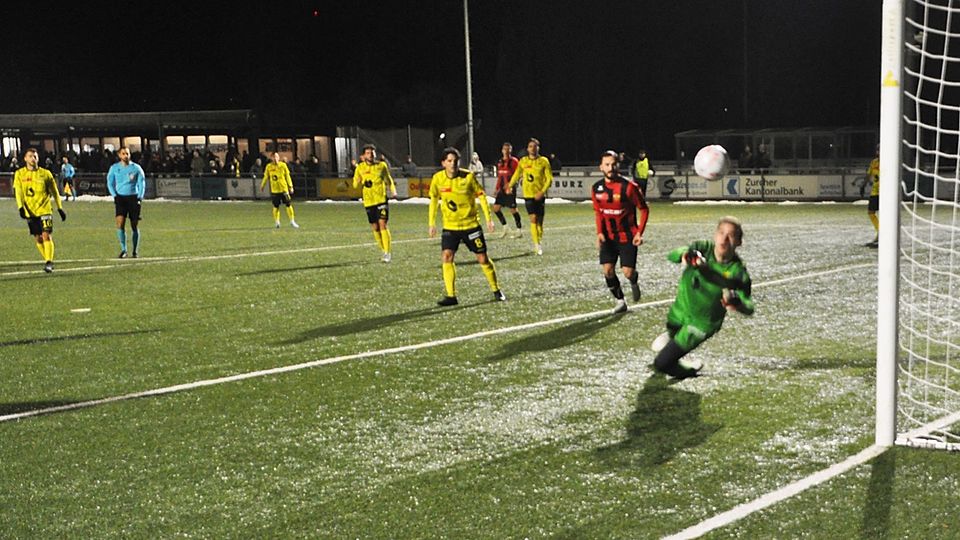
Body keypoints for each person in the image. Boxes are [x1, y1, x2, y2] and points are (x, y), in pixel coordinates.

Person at [651, 216, 754, 379]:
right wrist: (684, 255)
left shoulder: (737, 271)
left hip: (701, 324)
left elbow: (749, 307)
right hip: (679, 312)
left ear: (739, 242)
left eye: (731, 235)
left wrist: (737, 303)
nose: (724, 239)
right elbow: (672, 255)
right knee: (664, 342)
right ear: (715, 235)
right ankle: (675, 346)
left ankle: (688, 371)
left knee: (661, 364)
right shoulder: (702, 248)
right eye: (721, 233)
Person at [429, 147, 505, 306]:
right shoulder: (437, 179)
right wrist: (432, 223)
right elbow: (434, 200)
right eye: (449, 161)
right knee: (447, 256)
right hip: (450, 226)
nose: (453, 164)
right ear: (443, 163)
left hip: (471, 225)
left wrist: (488, 219)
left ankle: (496, 289)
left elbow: (482, 196)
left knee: (482, 258)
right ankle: (451, 296)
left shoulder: (468, 177)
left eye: (455, 160)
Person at [592, 151, 650, 313]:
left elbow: (644, 209)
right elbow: (599, 213)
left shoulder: (629, 187)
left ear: (618, 165)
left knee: (627, 272)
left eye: (613, 164)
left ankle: (634, 280)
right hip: (608, 237)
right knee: (608, 270)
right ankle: (620, 301)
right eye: (607, 165)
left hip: (627, 236)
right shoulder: (596, 188)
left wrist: (639, 232)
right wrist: (599, 233)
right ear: (601, 167)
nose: (611, 168)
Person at [14, 148, 66, 273]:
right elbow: (19, 192)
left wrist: (60, 208)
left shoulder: (46, 174)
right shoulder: (19, 174)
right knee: (38, 238)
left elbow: (54, 192)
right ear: (25, 159)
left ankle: (49, 261)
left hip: (45, 209)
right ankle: (47, 258)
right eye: (30, 156)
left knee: (46, 235)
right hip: (30, 211)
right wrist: (20, 207)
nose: (33, 158)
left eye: (35, 156)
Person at [507, 138, 553, 255]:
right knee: (533, 219)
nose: (533, 148)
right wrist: (510, 185)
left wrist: (542, 191)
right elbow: (517, 174)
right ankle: (537, 245)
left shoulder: (544, 161)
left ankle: (539, 239)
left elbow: (549, 179)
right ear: (527, 149)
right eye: (530, 146)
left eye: (535, 146)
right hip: (528, 195)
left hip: (540, 195)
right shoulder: (523, 161)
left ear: (538, 148)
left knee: (540, 222)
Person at [352, 144, 397, 262]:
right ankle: (383, 250)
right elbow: (354, 185)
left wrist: (393, 190)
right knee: (375, 227)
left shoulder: (382, 166)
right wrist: (359, 181)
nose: (371, 155)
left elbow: (388, 179)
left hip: (381, 199)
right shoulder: (360, 168)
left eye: (372, 153)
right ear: (363, 156)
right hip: (368, 201)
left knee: (383, 224)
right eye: (368, 153)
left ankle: (388, 252)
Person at [106, 147, 147, 258]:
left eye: (127, 154)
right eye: (123, 154)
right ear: (119, 155)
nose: (126, 156)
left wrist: (140, 197)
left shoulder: (136, 168)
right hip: (120, 199)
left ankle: (135, 251)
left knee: (134, 225)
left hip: (133, 198)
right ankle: (124, 250)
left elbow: (142, 183)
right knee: (120, 223)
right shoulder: (114, 168)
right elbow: (109, 182)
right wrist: (114, 195)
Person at [260, 152, 299, 229]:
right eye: (274, 157)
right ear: (271, 158)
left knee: (288, 204)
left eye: (277, 157)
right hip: (275, 190)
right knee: (276, 206)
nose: (275, 158)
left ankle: (292, 221)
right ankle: (277, 222)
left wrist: (290, 186)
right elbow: (265, 177)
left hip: (284, 189)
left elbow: (287, 176)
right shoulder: (269, 167)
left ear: (279, 157)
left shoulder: (283, 165)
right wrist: (262, 185)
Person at [492, 142, 522, 238]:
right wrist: (497, 188)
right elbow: (500, 176)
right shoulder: (500, 161)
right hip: (501, 189)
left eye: (508, 149)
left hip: (510, 189)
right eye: (504, 149)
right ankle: (505, 227)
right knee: (496, 208)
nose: (506, 151)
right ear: (502, 150)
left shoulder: (514, 161)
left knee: (513, 209)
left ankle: (519, 230)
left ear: (511, 150)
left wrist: (512, 185)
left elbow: (519, 174)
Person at [865, 146, 880, 247]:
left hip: (885, 192)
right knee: (871, 212)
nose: (878, 152)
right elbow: (868, 174)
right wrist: (863, 185)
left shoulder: (889, 162)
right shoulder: (874, 162)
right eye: (877, 149)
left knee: (884, 214)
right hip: (875, 191)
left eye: (879, 149)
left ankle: (882, 236)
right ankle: (880, 232)